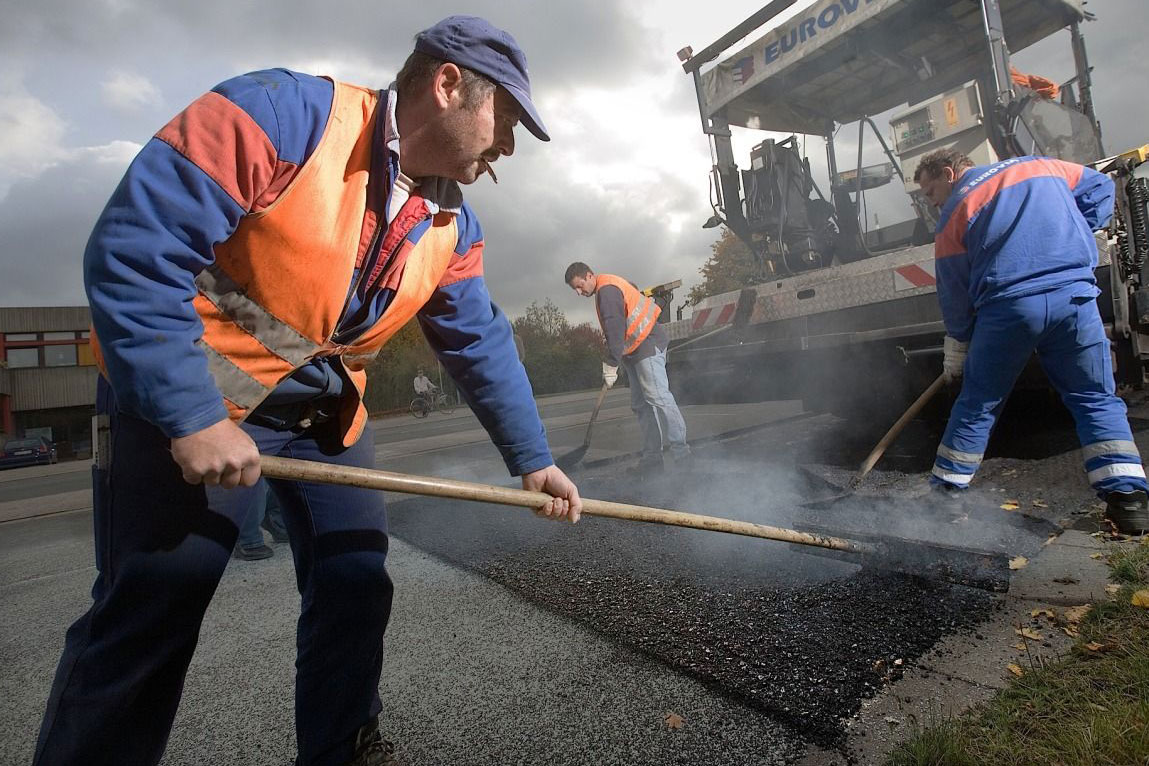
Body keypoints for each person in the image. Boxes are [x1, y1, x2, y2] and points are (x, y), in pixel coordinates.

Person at [34, 15, 582, 766]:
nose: (506, 150)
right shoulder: (278, 115)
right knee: (152, 607)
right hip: (193, 403)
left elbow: (478, 339)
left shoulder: (454, 221)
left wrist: (532, 455)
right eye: (507, 119)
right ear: (448, 83)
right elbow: (135, 252)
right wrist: (190, 416)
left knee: (355, 579)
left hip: (325, 416)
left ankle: (341, 747)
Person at [914, 148, 1148, 535]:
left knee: (979, 403)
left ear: (949, 173)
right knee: (1095, 397)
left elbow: (954, 291)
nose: (932, 201)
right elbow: (1100, 188)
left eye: (930, 190)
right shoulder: (1043, 166)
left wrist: (958, 344)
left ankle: (945, 500)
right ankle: (1129, 502)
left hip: (1008, 310)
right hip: (1074, 300)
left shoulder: (957, 209)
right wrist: (1073, 231)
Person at [564, 262, 690, 475]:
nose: (579, 292)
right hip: (633, 350)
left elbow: (615, 329)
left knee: (658, 397)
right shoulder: (608, 286)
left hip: (648, 343)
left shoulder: (607, 291)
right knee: (641, 404)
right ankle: (653, 459)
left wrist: (611, 363)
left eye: (579, 285)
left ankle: (682, 455)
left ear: (589, 275)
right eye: (574, 289)